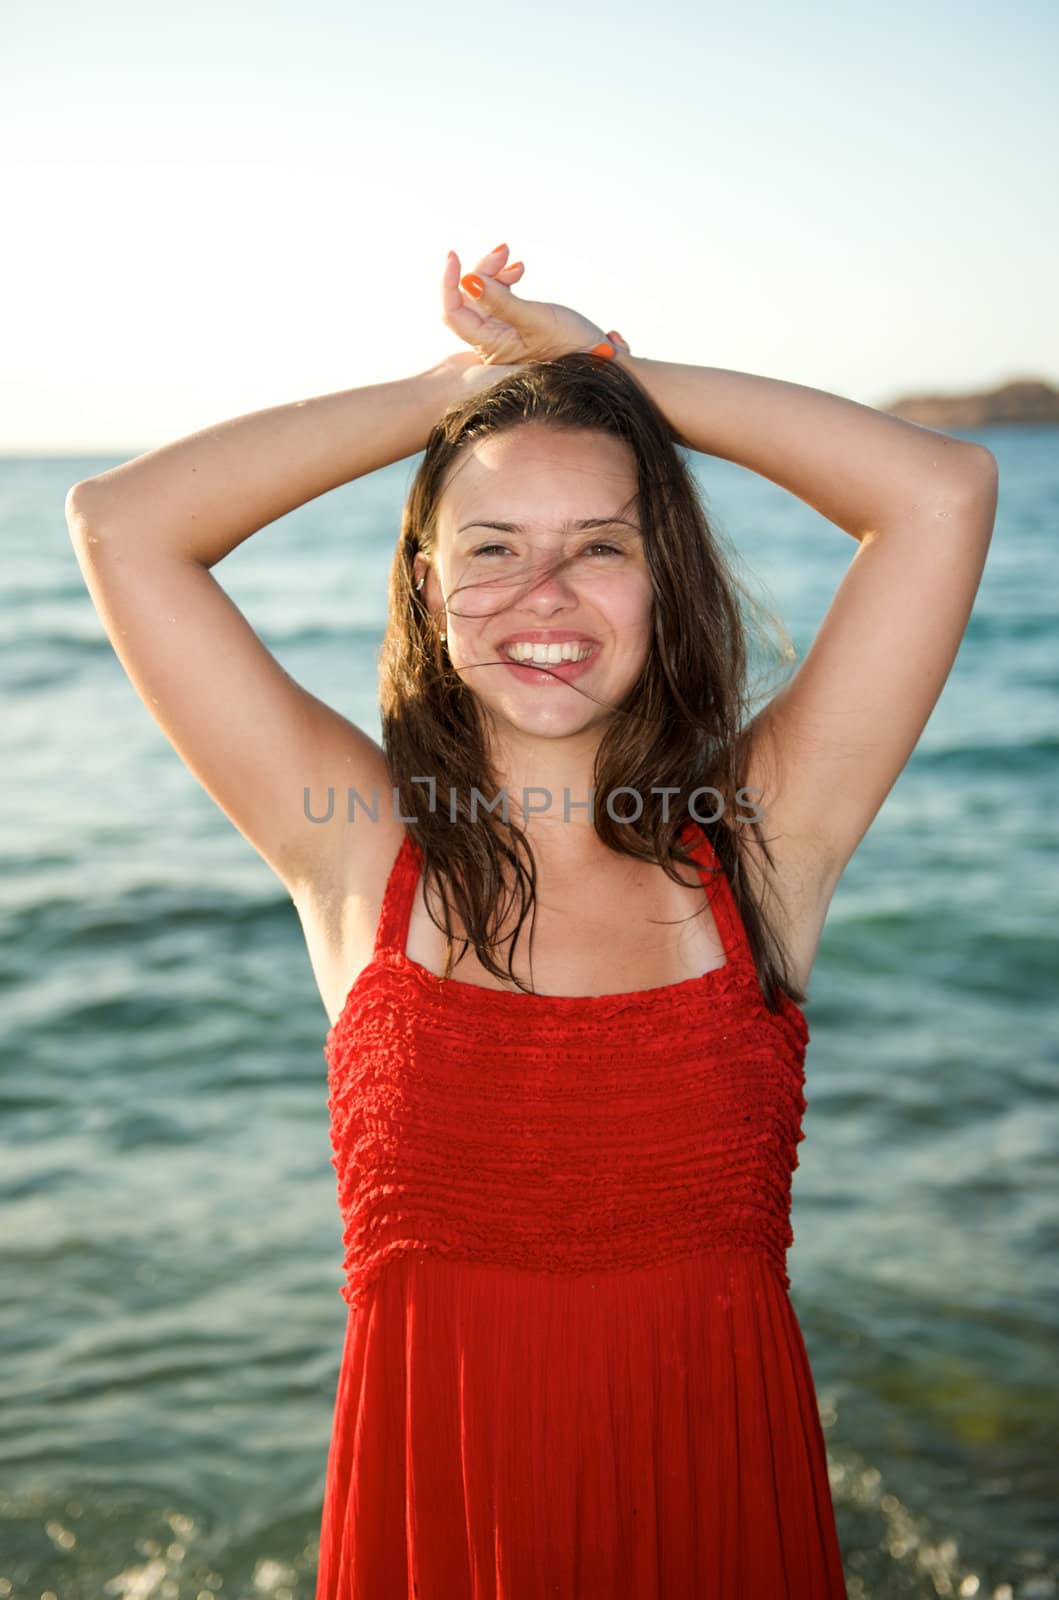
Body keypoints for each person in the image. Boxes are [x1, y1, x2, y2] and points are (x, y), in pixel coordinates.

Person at [65, 241, 999, 1598]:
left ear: (664, 579)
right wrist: (465, 388)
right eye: (490, 550)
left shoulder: (755, 852)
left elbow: (939, 490)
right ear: (428, 595)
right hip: (442, 1545)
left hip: (718, 1531)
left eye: (599, 549)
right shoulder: (364, 857)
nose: (543, 595)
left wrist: (603, 369)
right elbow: (122, 523)